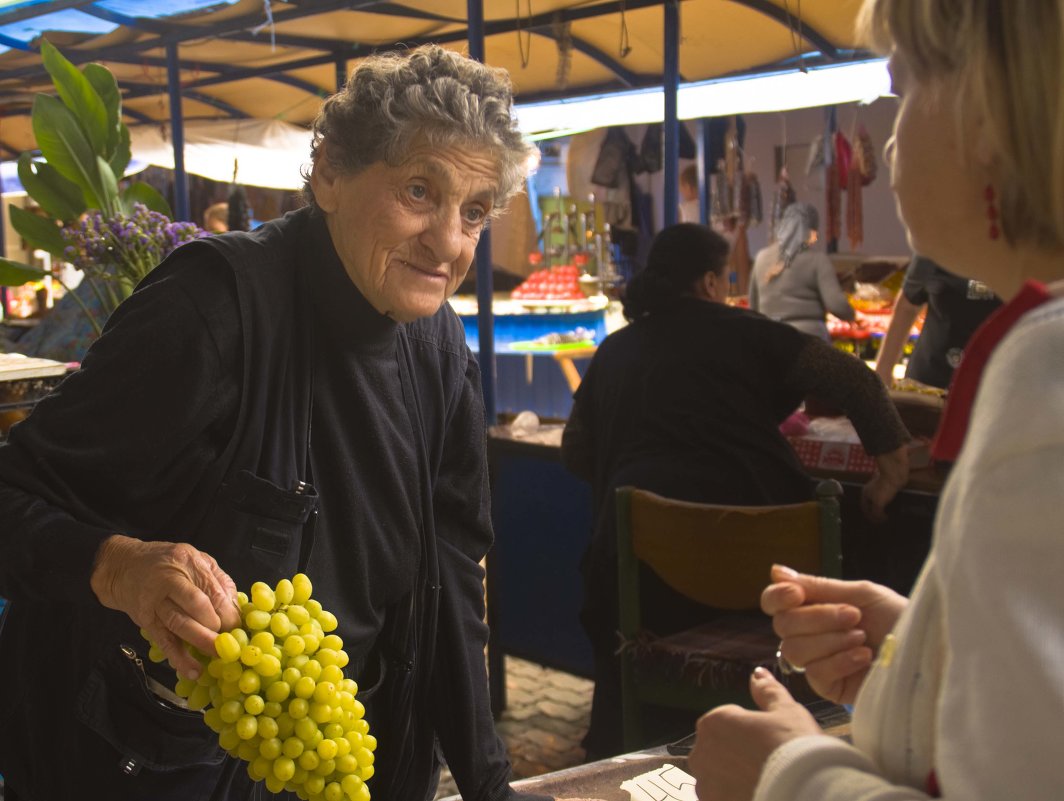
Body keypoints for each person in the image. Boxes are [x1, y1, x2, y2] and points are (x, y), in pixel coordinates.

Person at [0, 44, 571, 801]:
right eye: (418, 190)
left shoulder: (437, 348)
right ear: (330, 172)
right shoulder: (211, 313)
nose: (449, 242)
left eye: (473, 211)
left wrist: (487, 785)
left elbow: (452, 583)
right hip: (152, 764)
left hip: (334, 758)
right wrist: (120, 566)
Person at [687, 1, 1064, 799]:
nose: (887, 141)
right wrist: (932, 648)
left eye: (903, 89)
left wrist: (788, 772)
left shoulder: (1047, 380)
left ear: (988, 112)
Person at [561, 222, 910, 761]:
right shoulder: (752, 333)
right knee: (874, 538)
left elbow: (575, 453)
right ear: (707, 282)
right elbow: (858, 381)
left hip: (643, 598)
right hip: (770, 595)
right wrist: (890, 472)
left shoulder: (615, 351)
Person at [873, 255, 1001, 389]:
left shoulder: (1016, 249)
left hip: (994, 383)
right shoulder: (935, 245)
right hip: (928, 383)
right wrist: (883, 372)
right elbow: (907, 306)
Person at [749, 202, 857, 342]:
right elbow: (837, 305)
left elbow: (753, 306)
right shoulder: (817, 260)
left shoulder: (761, 258)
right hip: (809, 341)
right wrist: (852, 316)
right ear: (810, 231)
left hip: (768, 340)